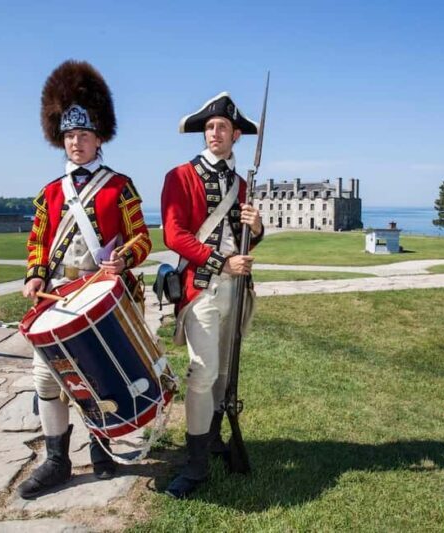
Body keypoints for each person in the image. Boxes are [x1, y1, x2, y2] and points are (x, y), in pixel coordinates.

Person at [18, 60, 152, 500]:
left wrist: (124, 260)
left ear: (99, 139)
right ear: (63, 139)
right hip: (56, 298)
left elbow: (141, 239)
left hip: (100, 296)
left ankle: (101, 447)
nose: (76, 142)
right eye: (70, 136)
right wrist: (35, 276)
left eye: (85, 135)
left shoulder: (121, 187)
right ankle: (56, 459)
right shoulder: (50, 192)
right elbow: (38, 240)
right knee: (47, 379)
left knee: (97, 374)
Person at [160, 92, 264, 499]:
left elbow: (244, 244)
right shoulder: (180, 176)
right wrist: (221, 262)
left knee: (223, 372)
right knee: (202, 372)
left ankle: (214, 438)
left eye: (222, 127)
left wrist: (255, 230)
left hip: (235, 289)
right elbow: (174, 235)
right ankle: (196, 463)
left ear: (236, 135)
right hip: (201, 288)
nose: (214, 133)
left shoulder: (241, 184)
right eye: (209, 127)